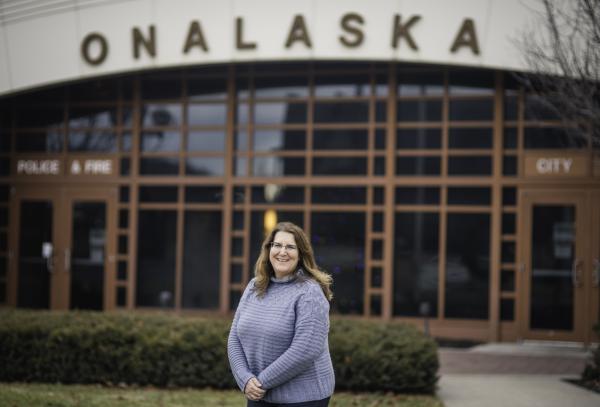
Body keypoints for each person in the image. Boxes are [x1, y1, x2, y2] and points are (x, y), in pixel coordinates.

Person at [227, 221, 335, 407]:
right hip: (258, 393)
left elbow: (305, 349)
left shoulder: (309, 292)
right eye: (277, 245)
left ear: (301, 254)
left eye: (290, 247)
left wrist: (261, 382)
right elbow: (234, 337)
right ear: (268, 250)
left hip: (303, 397)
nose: (282, 252)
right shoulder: (255, 286)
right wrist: (244, 379)